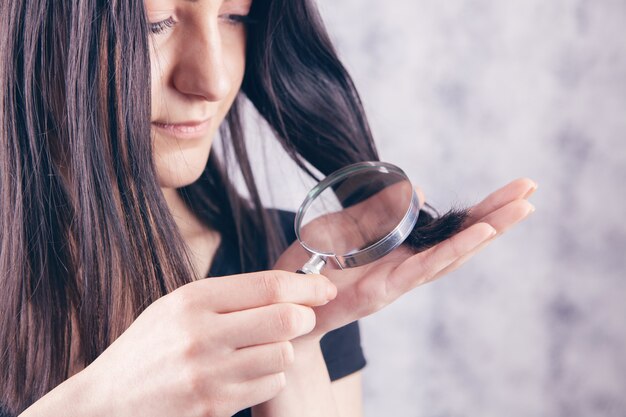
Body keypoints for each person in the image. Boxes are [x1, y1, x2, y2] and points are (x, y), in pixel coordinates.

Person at [0, 0, 537, 416]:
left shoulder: (290, 263)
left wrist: (296, 345)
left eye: (235, 15)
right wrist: (99, 404)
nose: (210, 80)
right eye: (154, 23)